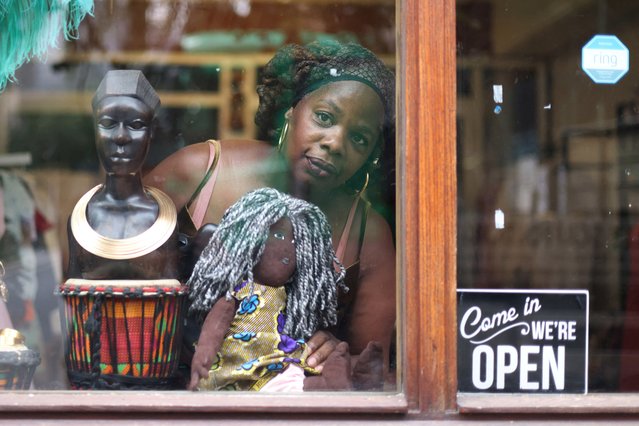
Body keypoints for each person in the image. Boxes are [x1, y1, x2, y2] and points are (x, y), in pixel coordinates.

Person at [145, 41, 396, 384]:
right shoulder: (200, 172)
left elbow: (374, 369)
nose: (335, 143)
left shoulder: (368, 234)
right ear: (291, 111)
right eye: (324, 117)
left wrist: (339, 351)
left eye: (359, 138)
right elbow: (112, 274)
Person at [63, 70, 184, 389]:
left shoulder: (168, 222)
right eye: (107, 123)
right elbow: (71, 315)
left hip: (154, 383)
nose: (120, 137)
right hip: (90, 381)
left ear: (152, 134)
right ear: (94, 131)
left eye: (135, 124)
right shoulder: (80, 218)